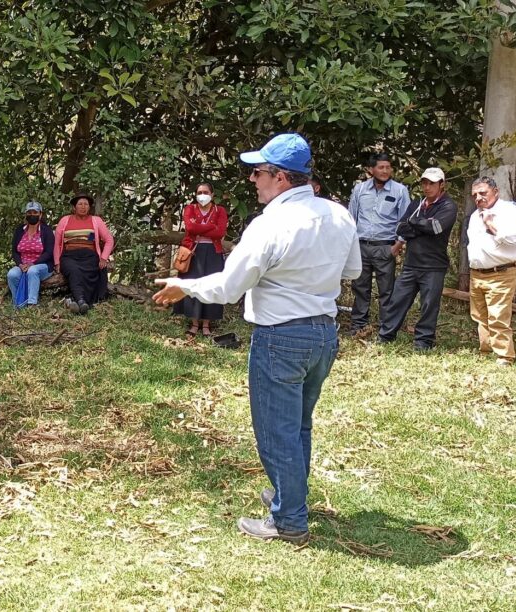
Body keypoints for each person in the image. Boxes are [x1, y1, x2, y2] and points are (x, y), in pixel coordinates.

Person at [152, 133, 361, 544]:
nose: (253, 179)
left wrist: (187, 286)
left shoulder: (271, 225)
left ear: (281, 178)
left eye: (259, 172)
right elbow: (352, 271)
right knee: (298, 424)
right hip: (323, 334)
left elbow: (230, 287)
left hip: (281, 336)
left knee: (276, 430)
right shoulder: (338, 215)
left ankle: (289, 522)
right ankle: (289, 495)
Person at [377, 168, 458, 350]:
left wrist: (414, 224)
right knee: (397, 300)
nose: (427, 187)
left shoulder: (448, 206)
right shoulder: (417, 204)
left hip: (434, 266)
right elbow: (400, 228)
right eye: (425, 183)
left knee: (429, 305)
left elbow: (436, 227)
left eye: (432, 183)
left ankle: (423, 341)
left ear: (441, 185)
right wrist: (422, 225)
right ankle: (385, 335)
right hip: (411, 264)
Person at [466, 177, 516, 366]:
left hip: (501, 272)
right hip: (477, 274)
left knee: (498, 315)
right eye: (475, 195)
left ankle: (505, 356)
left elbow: (512, 238)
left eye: (483, 193)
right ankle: (486, 350)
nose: (478, 198)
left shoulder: (508, 210)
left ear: (495, 192)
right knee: (480, 316)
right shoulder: (475, 215)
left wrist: (490, 224)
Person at [347, 153, 411, 334]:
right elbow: (351, 218)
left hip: (385, 246)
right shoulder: (360, 190)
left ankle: (387, 327)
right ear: (371, 169)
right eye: (381, 167)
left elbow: (404, 221)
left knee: (386, 290)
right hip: (361, 245)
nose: (385, 171)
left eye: (388, 167)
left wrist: (396, 247)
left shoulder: (399, 191)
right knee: (360, 288)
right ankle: (358, 325)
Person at [173, 183, 228, 337]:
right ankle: (194, 323)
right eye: (199, 192)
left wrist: (202, 228)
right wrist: (211, 226)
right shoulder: (190, 209)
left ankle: (206, 325)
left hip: (213, 252)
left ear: (212, 194)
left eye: (205, 192)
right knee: (192, 285)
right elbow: (190, 228)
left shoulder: (220, 211)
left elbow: (220, 232)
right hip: (192, 253)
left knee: (211, 286)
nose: (202, 195)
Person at [53, 193, 114, 314]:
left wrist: (103, 258)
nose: (83, 206)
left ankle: (75, 301)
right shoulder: (65, 220)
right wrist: (56, 262)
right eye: (80, 204)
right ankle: (81, 301)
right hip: (69, 256)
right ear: (74, 207)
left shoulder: (96, 221)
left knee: (92, 272)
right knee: (74, 270)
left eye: (86, 204)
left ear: (89, 207)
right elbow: (57, 244)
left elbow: (109, 240)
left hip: (90, 256)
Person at [7, 201, 55, 308]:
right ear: (25, 214)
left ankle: (32, 304)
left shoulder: (46, 231)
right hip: (23, 265)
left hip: (42, 265)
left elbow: (49, 252)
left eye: (35, 212)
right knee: (12, 274)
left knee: (33, 271)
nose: (32, 215)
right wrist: (20, 264)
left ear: (40, 214)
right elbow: (14, 251)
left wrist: (33, 264)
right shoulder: (20, 230)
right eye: (29, 212)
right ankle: (18, 303)